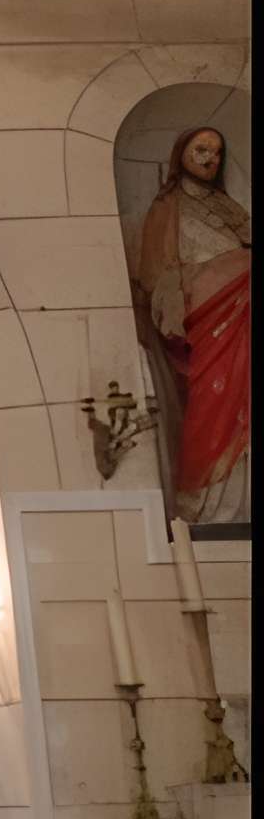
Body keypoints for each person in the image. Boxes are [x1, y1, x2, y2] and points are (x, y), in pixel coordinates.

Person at [135, 127, 251, 524]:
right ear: (180, 153)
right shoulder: (168, 207)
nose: (209, 159)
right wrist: (228, 271)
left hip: (243, 313)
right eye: (200, 150)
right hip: (207, 316)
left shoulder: (228, 207)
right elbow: (155, 275)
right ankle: (206, 503)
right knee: (212, 400)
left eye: (216, 153)